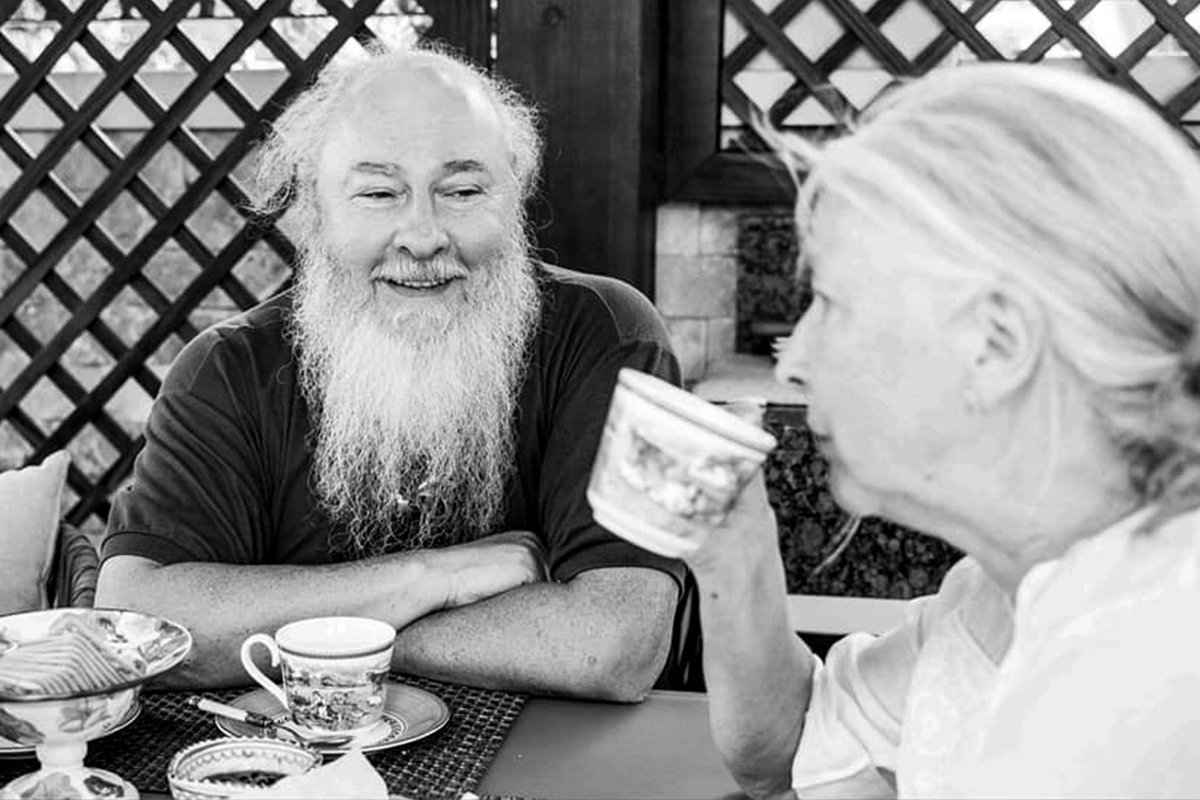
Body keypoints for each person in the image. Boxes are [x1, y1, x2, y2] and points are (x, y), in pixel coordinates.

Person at [94, 43, 688, 701]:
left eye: (462, 191)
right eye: (379, 193)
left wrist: (336, 638)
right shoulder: (227, 370)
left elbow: (614, 645)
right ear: (315, 209)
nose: (423, 236)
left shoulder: (609, 336)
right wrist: (432, 578)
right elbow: (135, 628)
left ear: (515, 196)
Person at [684, 63, 1200, 798]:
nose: (793, 362)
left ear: (998, 342)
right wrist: (733, 550)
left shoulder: (1146, 672)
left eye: (832, 302)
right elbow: (795, 750)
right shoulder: (995, 594)